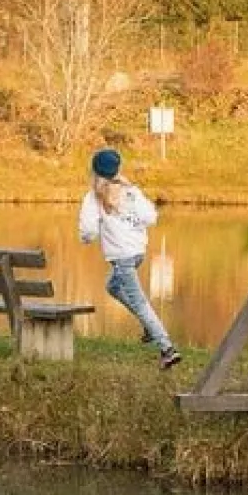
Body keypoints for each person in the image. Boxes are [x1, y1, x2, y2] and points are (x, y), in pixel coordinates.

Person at [79, 148, 181, 369]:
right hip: (137, 253)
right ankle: (149, 327)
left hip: (122, 258)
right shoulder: (131, 192)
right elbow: (151, 217)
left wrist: (87, 237)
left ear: (94, 171)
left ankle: (167, 349)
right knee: (112, 287)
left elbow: (88, 231)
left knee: (140, 302)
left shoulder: (93, 197)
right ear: (118, 169)